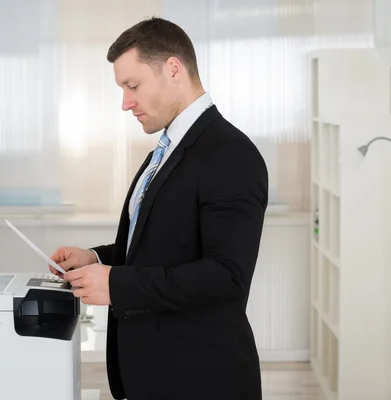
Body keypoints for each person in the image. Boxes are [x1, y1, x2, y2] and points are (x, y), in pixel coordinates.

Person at [49, 17, 268, 400]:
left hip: (201, 379)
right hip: (154, 375)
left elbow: (227, 276)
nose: (125, 103)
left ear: (173, 68)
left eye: (132, 86)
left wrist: (115, 283)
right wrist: (95, 259)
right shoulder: (165, 152)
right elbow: (164, 246)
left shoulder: (230, 153)